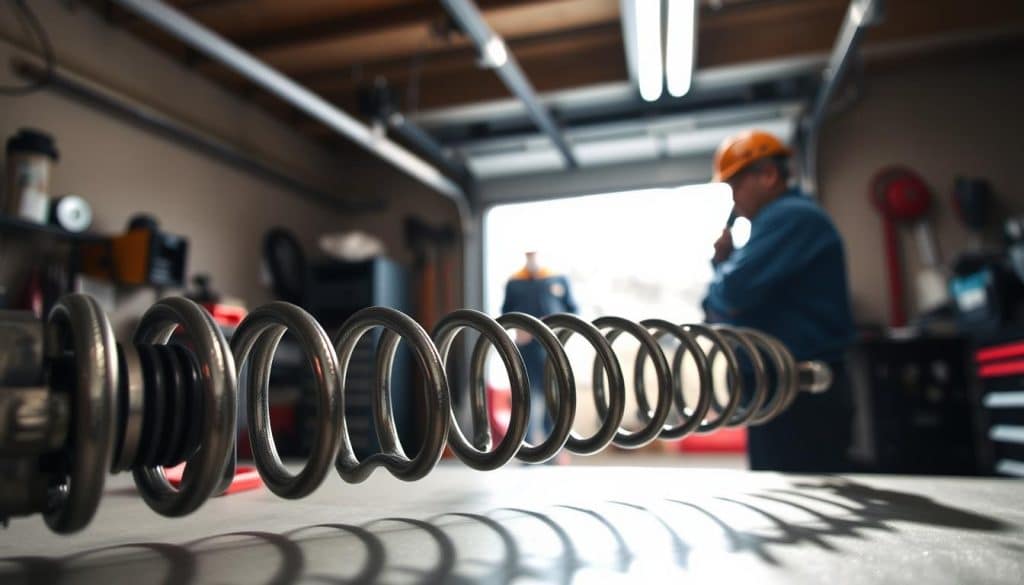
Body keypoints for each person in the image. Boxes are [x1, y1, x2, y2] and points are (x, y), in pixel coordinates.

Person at [702, 130, 856, 472]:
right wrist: (724, 266)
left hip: (799, 389)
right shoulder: (777, 223)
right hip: (778, 384)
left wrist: (722, 272)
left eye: (735, 186)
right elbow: (724, 303)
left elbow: (732, 294)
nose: (733, 200)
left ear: (768, 175)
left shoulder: (790, 217)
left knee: (800, 494)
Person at [501, 249, 578, 446]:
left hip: (552, 347)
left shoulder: (558, 279)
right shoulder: (514, 282)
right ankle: (525, 447)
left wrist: (559, 328)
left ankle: (554, 447)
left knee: (554, 397)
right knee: (525, 397)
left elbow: (573, 310)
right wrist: (517, 328)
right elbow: (505, 313)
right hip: (526, 347)